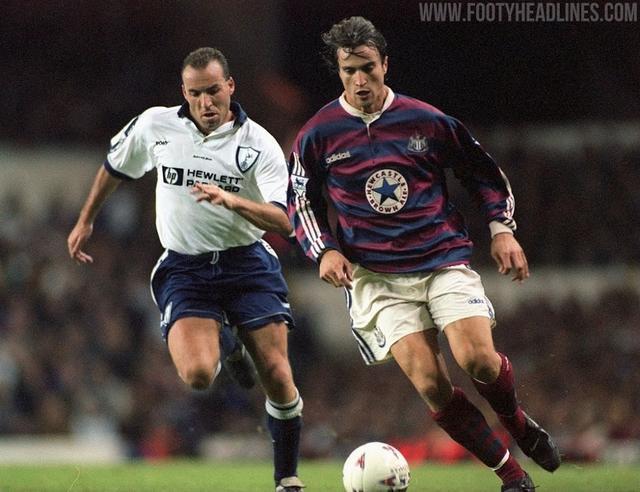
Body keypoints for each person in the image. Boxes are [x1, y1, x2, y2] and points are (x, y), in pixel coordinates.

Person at [288, 17, 560, 492]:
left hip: (441, 258)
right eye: (350, 70)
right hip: (376, 277)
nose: (360, 80)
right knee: (432, 385)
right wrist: (324, 250)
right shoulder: (319, 134)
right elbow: (301, 202)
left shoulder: (426, 121)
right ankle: (511, 476)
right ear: (339, 72)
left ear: (385, 64)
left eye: (368, 68)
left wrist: (501, 230)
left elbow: (482, 173)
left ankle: (517, 422)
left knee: (477, 359)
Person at [68, 47, 305, 492]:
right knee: (197, 376)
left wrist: (232, 200)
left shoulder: (259, 144)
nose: (206, 102)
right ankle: (229, 342)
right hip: (185, 268)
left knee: (277, 374)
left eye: (213, 91)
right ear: (184, 92)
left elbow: (284, 219)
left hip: (247, 265)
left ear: (230, 86)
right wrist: (86, 220)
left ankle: (287, 478)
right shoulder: (156, 126)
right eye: (196, 93)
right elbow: (114, 165)